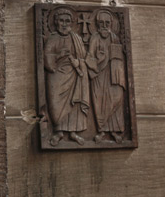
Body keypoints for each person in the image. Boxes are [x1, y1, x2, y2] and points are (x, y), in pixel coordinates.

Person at [44, 8, 90, 146]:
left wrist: (78, 62)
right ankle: (58, 132)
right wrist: (58, 56)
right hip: (57, 75)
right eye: (61, 21)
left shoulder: (76, 38)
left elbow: (83, 57)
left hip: (74, 74)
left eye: (67, 21)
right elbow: (46, 58)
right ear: (56, 22)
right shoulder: (53, 38)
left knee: (74, 103)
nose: (64, 24)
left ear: (71, 23)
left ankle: (73, 132)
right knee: (55, 103)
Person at [86, 10, 126, 143]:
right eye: (101, 23)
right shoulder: (95, 38)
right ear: (97, 25)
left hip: (113, 74)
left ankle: (114, 131)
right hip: (99, 75)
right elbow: (89, 58)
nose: (104, 26)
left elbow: (119, 57)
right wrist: (99, 59)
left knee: (117, 98)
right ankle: (102, 131)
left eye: (107, 23)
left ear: (111, 24)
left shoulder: (114, 37)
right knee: (100, 103)